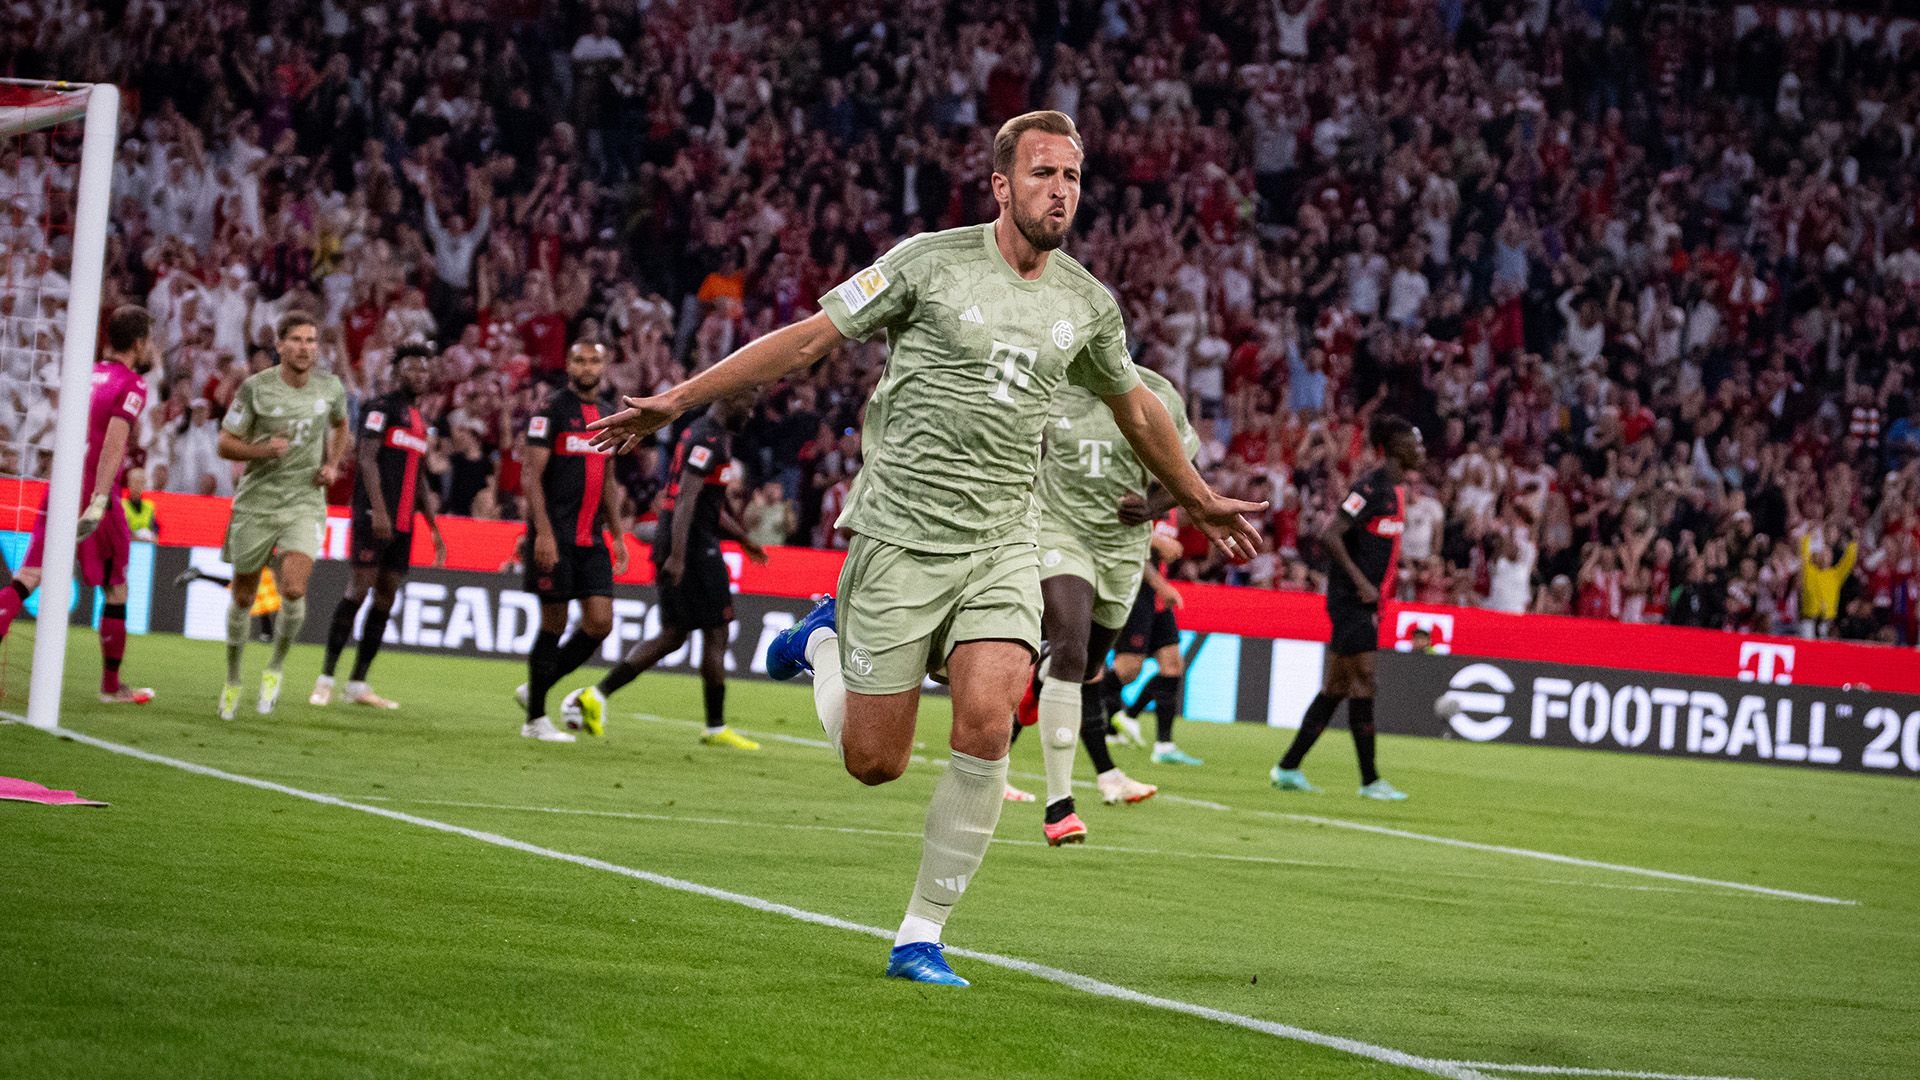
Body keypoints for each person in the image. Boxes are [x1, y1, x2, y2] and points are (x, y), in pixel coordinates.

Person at [586, 111, 1263, 986]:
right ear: (1001, 184)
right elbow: (809, 339)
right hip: (901, 536)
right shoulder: (929, 263)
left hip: (1003, 540)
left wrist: (1198, 498)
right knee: (876, 762)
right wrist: (676, 400)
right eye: (1043, 174)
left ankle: (921, 934)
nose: (1061, 192)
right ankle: (821, 639)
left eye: (1073, 178)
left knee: (987, 720)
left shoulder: (1087, 305)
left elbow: (1137, 407)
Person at [1019, 359, 1198, 844]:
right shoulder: (1047, 385)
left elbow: (1184, 471)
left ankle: (1041, 678)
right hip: (1060, 533)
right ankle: (1061, 808)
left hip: (1123, 550)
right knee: (1073, 652)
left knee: (1089, 665)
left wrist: (1155, 507)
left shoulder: (1157, 393)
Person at [560, 390, 767, 746]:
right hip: (695, 551)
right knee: (715, 632)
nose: (750, 415)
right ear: (730, 400)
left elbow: (704, 503)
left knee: (673, 634)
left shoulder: (704, 433)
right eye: (748, 406)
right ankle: (715, 727)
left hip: (686, 544)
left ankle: (596, 696)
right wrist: (679, 556)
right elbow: (686, 498)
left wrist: (742, 539)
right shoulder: (709, 439)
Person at [0, 305, 159, 704]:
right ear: (139, 343)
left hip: (60, 483)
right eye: (150, 340)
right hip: (93, 490)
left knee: (30, 575)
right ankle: (110, 686)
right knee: (117, 587)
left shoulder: (85, 374)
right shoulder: (132, 385)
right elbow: (113, 443)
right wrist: (101, 498)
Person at [1271, 414, 1422, 800]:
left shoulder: (1396, 492)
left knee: (1337, 686)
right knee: (1365, 682)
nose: (1421, 450)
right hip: (1351, 600)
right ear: (1392, 450)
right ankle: (1370, 780)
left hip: (1366, 601)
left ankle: (1287, 767)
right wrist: (1361, 581)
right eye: (1414, 444)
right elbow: (1330, 534)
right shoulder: (1370, 488)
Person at [214, 312, 350, 719]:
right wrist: (261, 451)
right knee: (243, 595)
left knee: (293, 588)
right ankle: (234, 677)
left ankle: (274, 669)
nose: (305, 347)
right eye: (296, 340)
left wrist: (333, 463)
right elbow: (225, 443)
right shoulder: (256, 388)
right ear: (279, 345)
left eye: (311, 340)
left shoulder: (331, 386)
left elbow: (341, 425)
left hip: (304, 501)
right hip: (257, 501)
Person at [312, 345, 448, 708]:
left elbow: (418, 477)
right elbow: (367, 460)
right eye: (411, 368)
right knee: (360, 589)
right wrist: (380, 510)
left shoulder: (419, 420)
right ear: (396, 371)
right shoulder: (380, 408)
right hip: (375, 517)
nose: (419, 374)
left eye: (424, 369)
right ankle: (325, 677)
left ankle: (357, 683)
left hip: (404, 523)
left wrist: (432, 526)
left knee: (386, 598)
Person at [514, 341, 629, 742]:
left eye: (595, 359)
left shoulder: (610, 414)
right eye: (579, 359)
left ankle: (536, 686)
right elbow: (530, 476)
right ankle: (535, 720)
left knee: (600, 623)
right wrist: (542, 533)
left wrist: (617, 534)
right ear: (568, 364)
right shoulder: (551, 411)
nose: (587, 366)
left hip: (591, 538)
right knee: (554, 622)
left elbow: (609, 479)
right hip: (556, 535)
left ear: (605, 365)